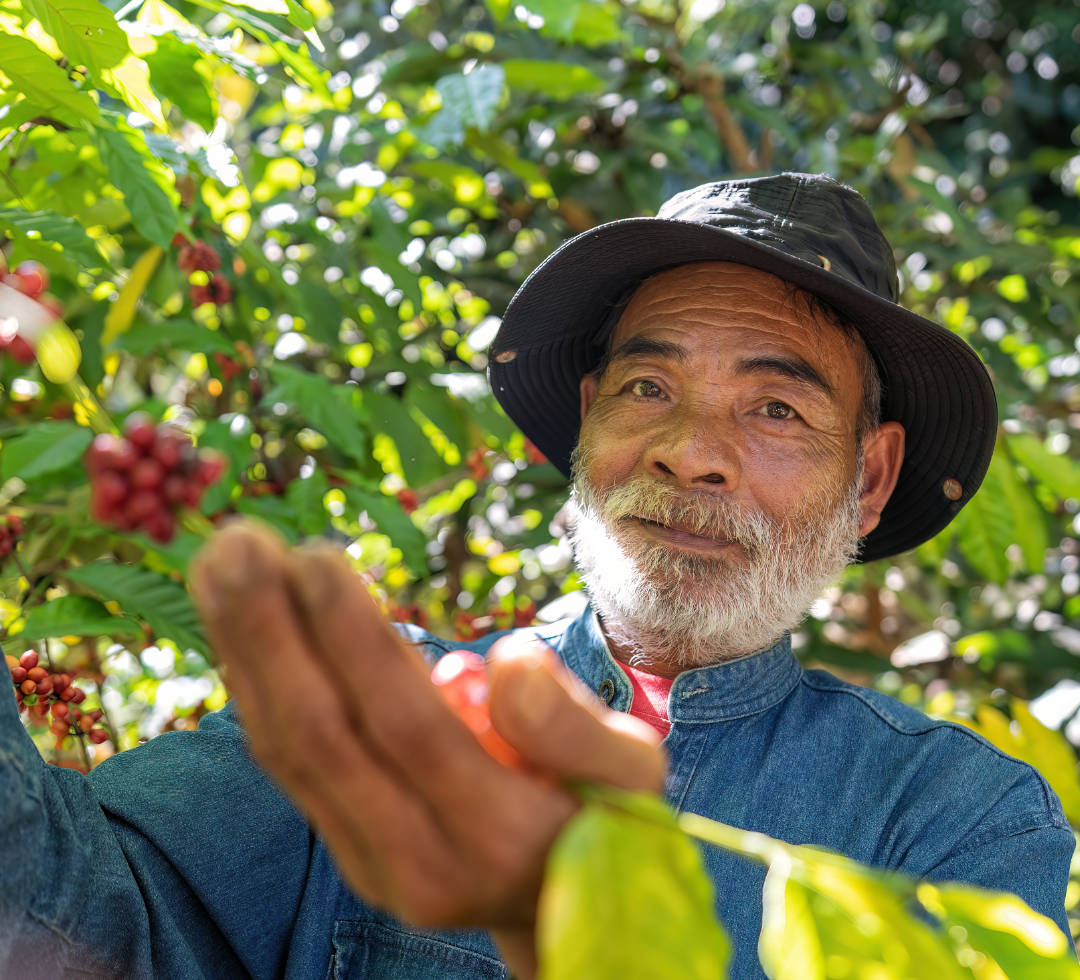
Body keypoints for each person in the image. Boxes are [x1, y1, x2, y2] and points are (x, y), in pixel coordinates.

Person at [1, 173, 1073, 980]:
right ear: (588, 418)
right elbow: (70, 918)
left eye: (777, 407)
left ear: (871, 475)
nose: (689, 450)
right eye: (648, 386)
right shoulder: (384, 712)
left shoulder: (957, 821)